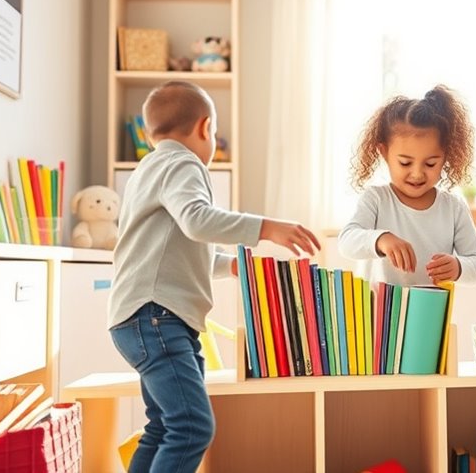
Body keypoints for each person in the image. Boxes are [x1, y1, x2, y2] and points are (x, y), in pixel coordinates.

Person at [107, 81, 320, 473]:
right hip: (157, 318)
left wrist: (229, 265)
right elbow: (197, 221)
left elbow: (171, 252)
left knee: (161, 428)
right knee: (192, 428)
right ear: (206, 128)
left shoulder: (146, 170)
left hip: (140, 318)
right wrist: (268, 227)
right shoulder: (183, 163)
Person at [338, 85, 476, 287]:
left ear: (445, 156)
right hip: (377, 316)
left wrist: (458, 266)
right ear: (384, 152)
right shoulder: (376, 199)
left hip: (430, 315)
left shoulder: (453, 207)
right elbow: (346, 242)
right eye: (405, 163)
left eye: (430, 163)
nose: (417, 173)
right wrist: (380, 239)